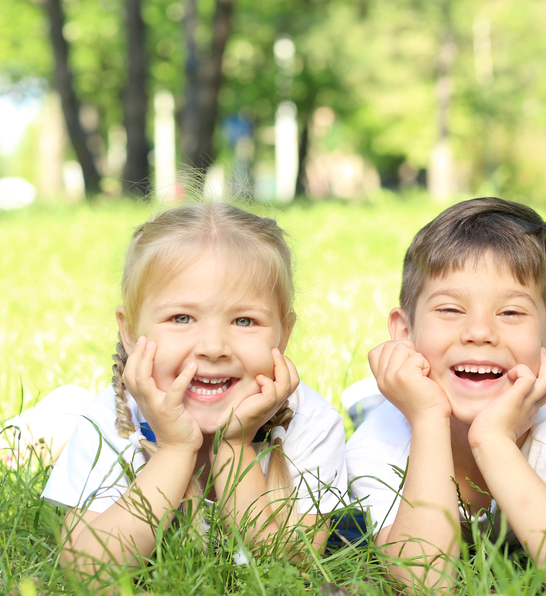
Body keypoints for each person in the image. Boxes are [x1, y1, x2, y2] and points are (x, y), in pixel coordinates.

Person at [41, 203, 348, 573]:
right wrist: (175, 449)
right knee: (59, 427)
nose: (213, 346)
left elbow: (287, 570)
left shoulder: (311, 423)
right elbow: (88, 568)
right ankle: (49, 422)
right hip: (89, 420)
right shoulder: (112, 417)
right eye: (182, 318)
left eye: (245, 320)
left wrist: (235, 444)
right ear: (129, 329)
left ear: (284, 333)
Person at [346, 197, 546, 593]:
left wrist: (493, 441)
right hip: (401, 419)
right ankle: (369, 400)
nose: (479, 332)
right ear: (405, 334)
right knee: (379, 414)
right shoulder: (378, 441)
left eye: (510, 313)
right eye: (450, 310)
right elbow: (424, 583)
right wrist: (426, 420)